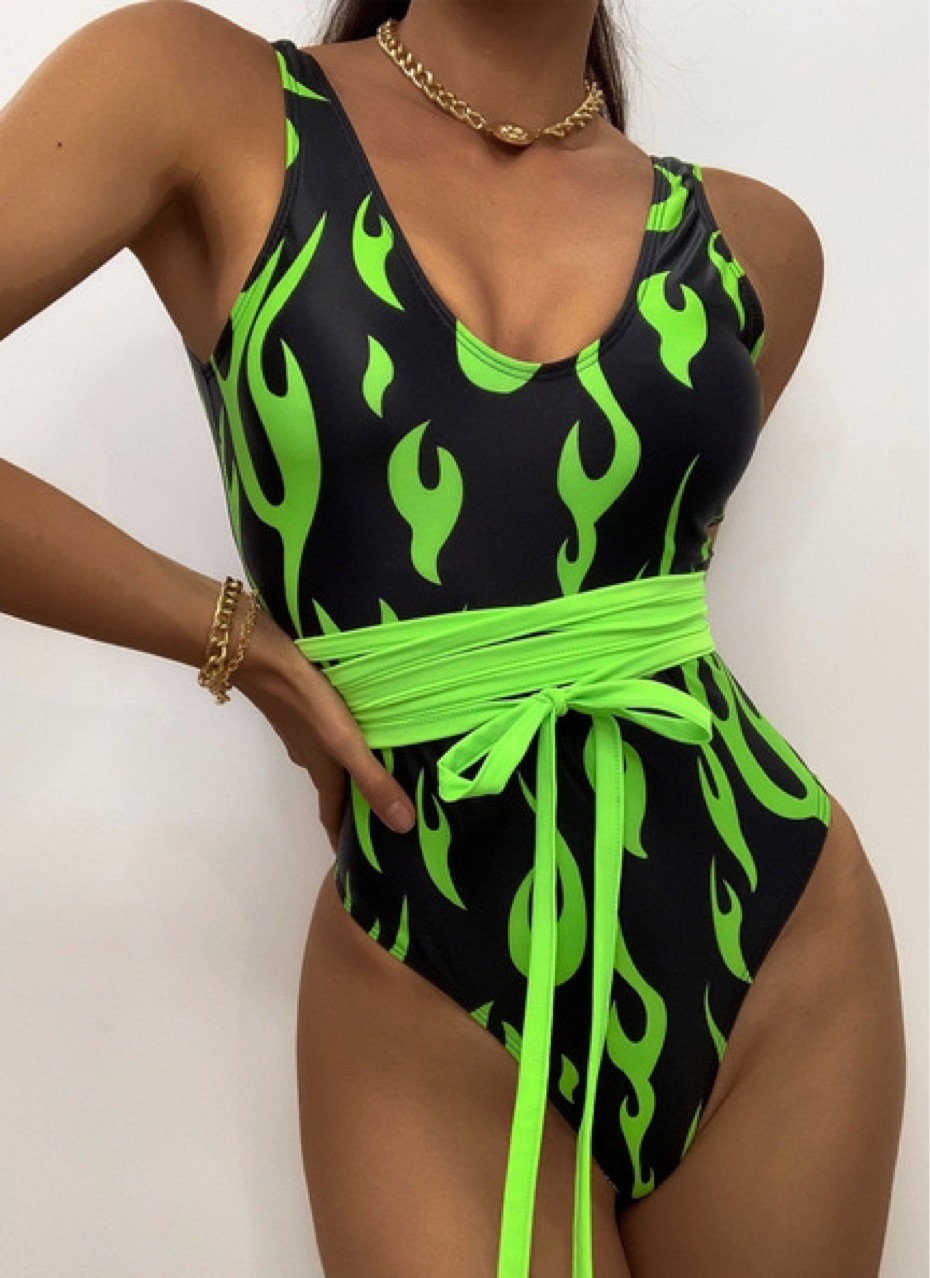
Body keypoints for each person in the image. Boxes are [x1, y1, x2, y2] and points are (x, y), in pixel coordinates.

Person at [0, 1, 907, 1275]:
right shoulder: (199, 98)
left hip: (777, 950)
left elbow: (613, 599)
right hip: (423, 971)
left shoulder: (756, 250)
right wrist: (233, 639)